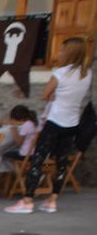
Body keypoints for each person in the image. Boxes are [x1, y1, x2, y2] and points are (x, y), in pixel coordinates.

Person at [6, 36, 93, 215]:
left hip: (54, 121)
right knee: (61, 163)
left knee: (38, 159)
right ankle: (52, 200)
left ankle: (27, 200)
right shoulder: (87, 74)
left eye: (62, 50)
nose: (59, 53)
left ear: (69, 53)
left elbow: (46, 94)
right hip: (72, 122)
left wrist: (52, 95)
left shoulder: (60, 73)